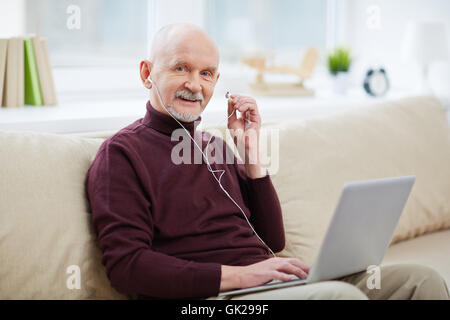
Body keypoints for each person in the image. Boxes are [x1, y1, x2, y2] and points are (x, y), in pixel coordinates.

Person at [85, 23, 449, 300]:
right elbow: (127, 267)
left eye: (207, 73)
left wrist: (252, 156)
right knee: (339, 297)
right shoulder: (121, 155)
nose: (195, 85)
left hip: (271, 286)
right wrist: (244, 276)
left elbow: (272, 240)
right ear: (147, 73)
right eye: (181, 68)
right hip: (218, 296)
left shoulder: (217, 148)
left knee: (422, 281)